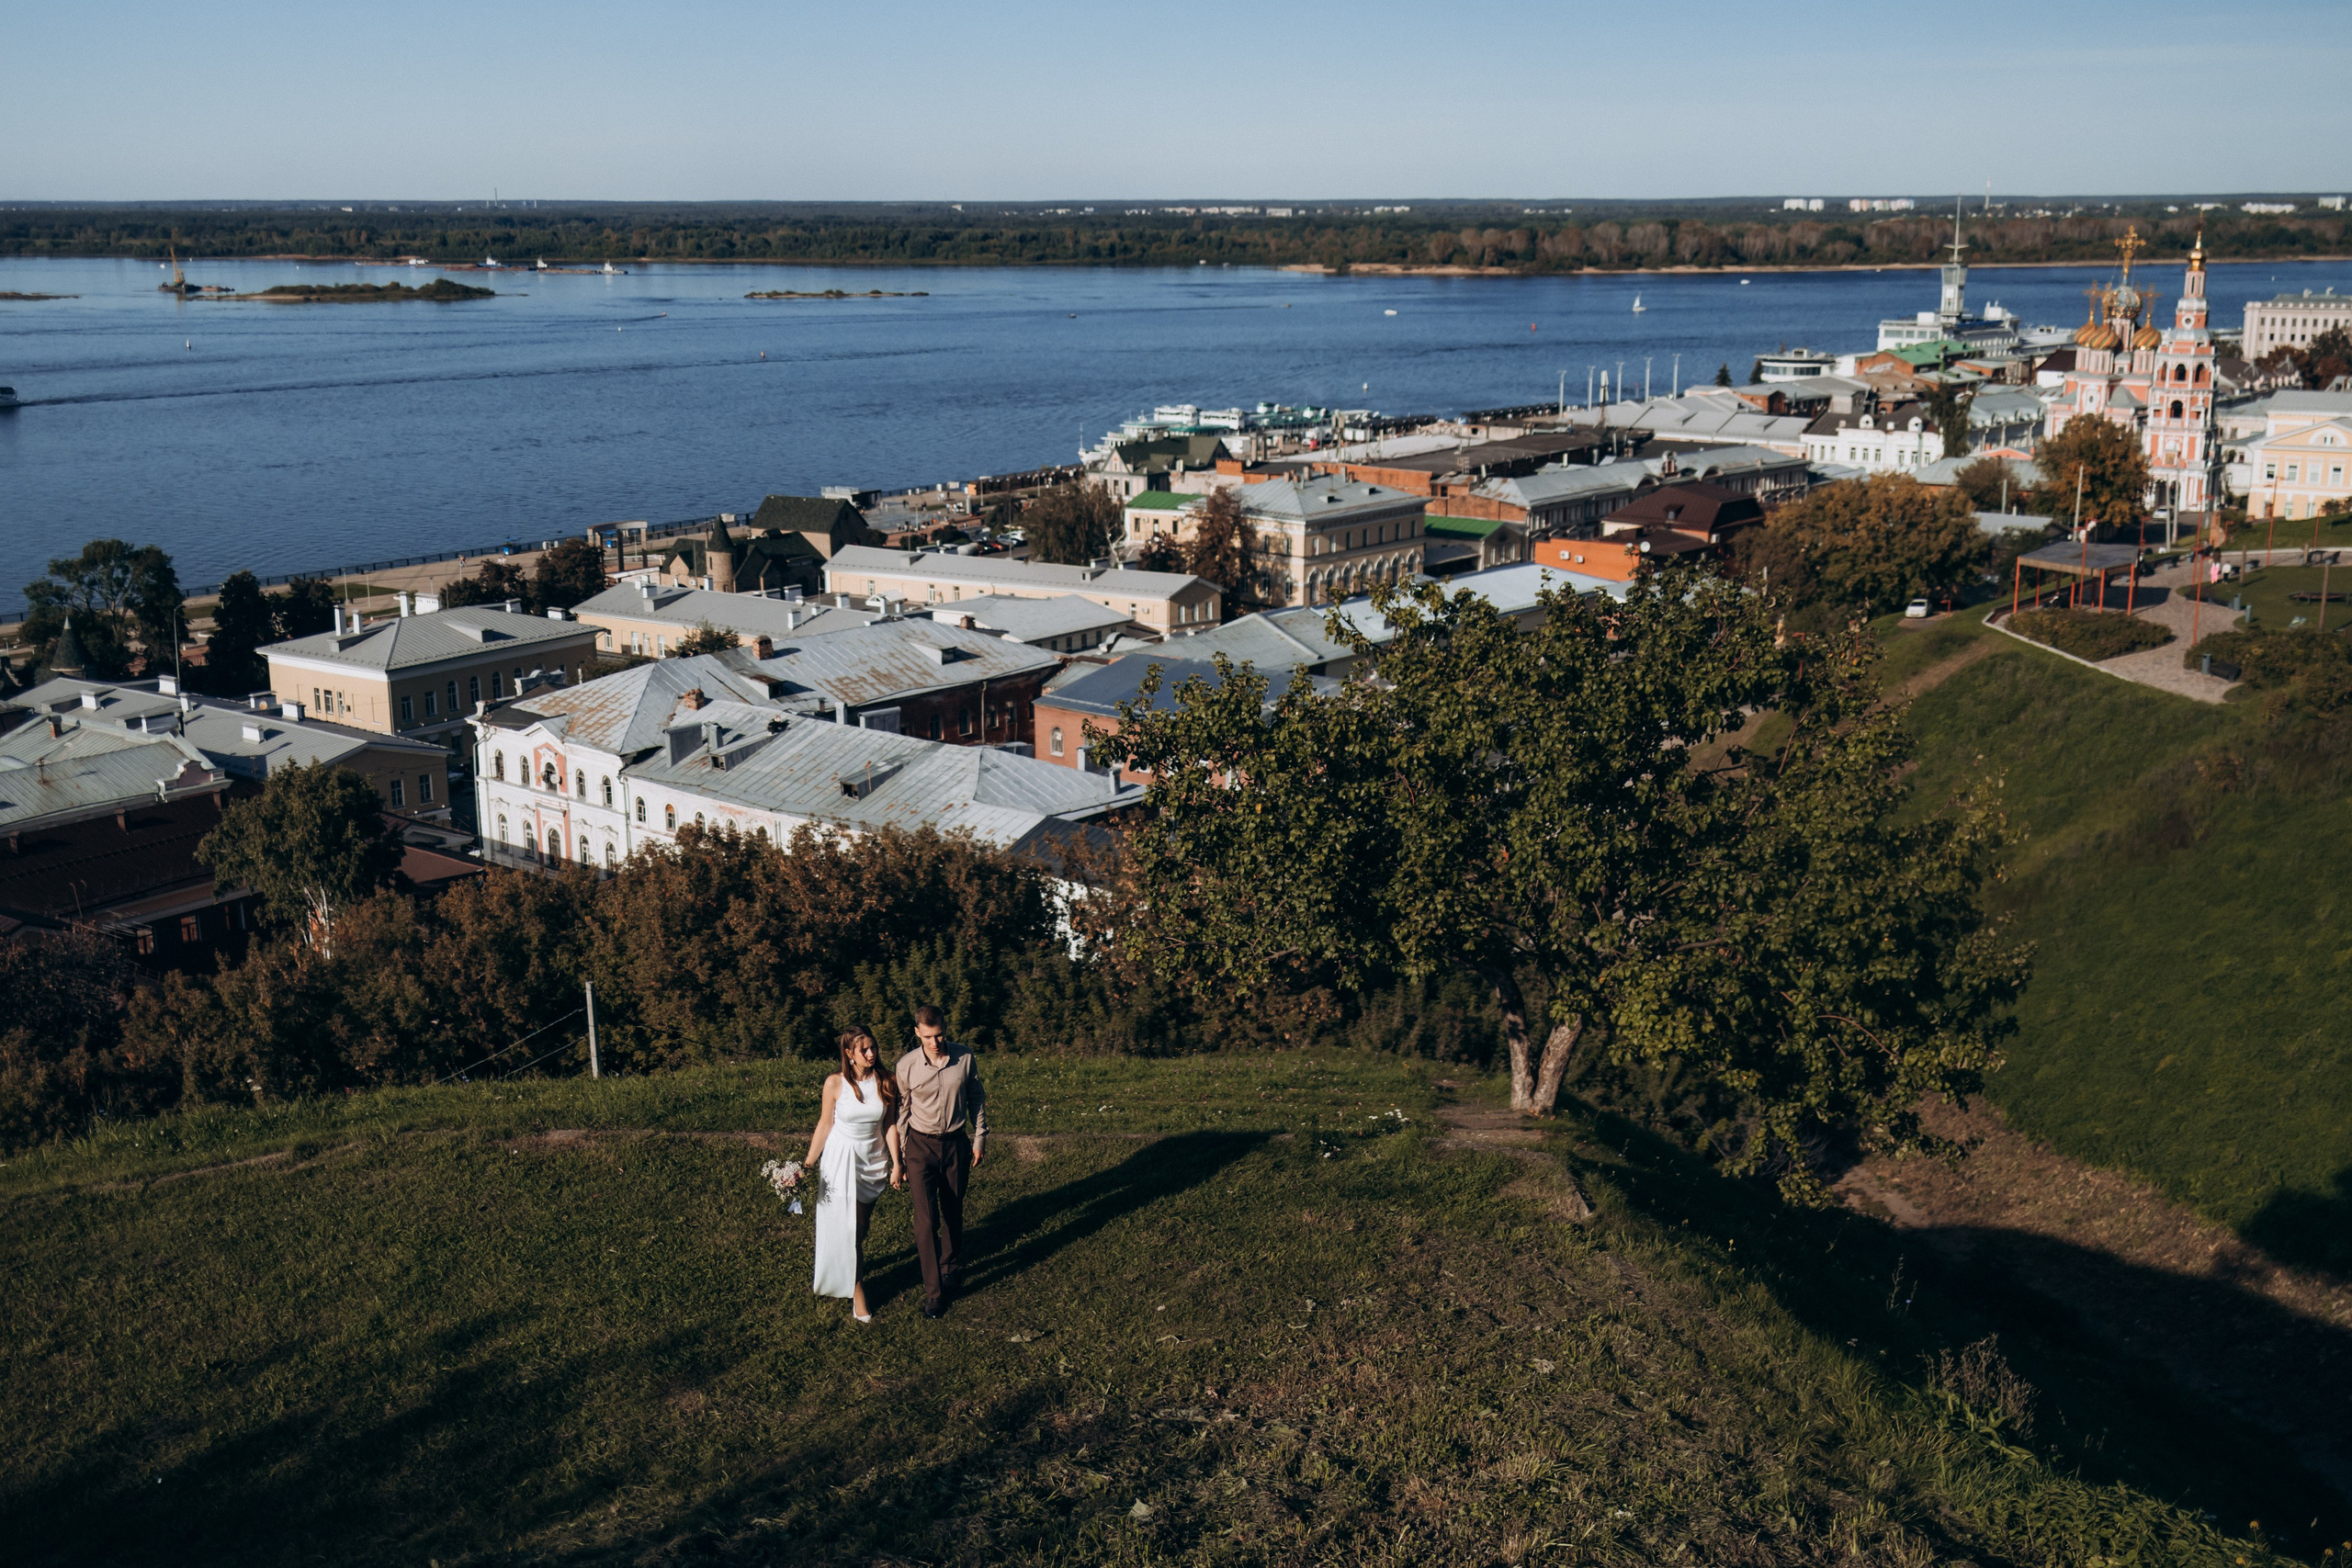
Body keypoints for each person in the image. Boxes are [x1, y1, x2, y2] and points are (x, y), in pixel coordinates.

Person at [785, 1027, 901, 1322]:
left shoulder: (887, 1082)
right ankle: (858, 1294)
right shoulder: (834, 1084)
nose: (871, 1054)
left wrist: (897, 1163)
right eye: (864, 1050)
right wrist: (807, 1165)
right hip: (839, 1160)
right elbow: (825, 1125)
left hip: (872, 1162)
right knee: (850, 1233)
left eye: (873, 1047)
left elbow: (890, 1125)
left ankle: (850, 1268)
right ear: (849, 1054)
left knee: (861, 1230)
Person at [893, 1003, 986, 1319]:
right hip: (919, 1146)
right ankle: (934, 1292)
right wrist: (902, 1157)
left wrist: (979, 1137)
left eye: (940, 1034)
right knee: (926, 1220)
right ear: (917, 1032)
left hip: (956, 1143)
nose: (935, 1042)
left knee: (952, 1209)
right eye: (929, 1036)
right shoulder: (906, 1066)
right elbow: (902, 1111)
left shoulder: (964, 1057)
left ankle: (950, 1267)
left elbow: (976, 1097)